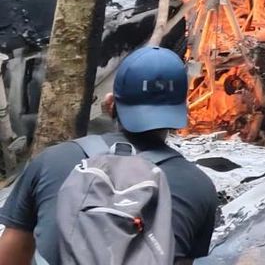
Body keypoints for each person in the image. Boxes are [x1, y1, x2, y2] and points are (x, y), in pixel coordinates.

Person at [0, 46, 219, 265]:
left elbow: (9, 258)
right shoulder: (199, 188)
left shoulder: (50, 162)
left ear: (110, 104)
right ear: (183, 112)